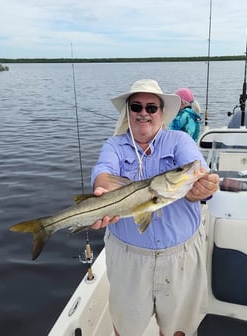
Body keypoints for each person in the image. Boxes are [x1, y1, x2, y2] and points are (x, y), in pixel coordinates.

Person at [91, 79, 219, 336]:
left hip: (180, 256)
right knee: (125, 329)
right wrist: (103, 192)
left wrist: (202, 188)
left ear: (162, 113)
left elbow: (196, 169)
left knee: (178, 329)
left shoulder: (180, 140)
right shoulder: (114, 145)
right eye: (136, 106)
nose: (143, 113)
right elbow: (104, 172)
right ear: (128, 112)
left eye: (152, 108)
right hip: (129, 258)